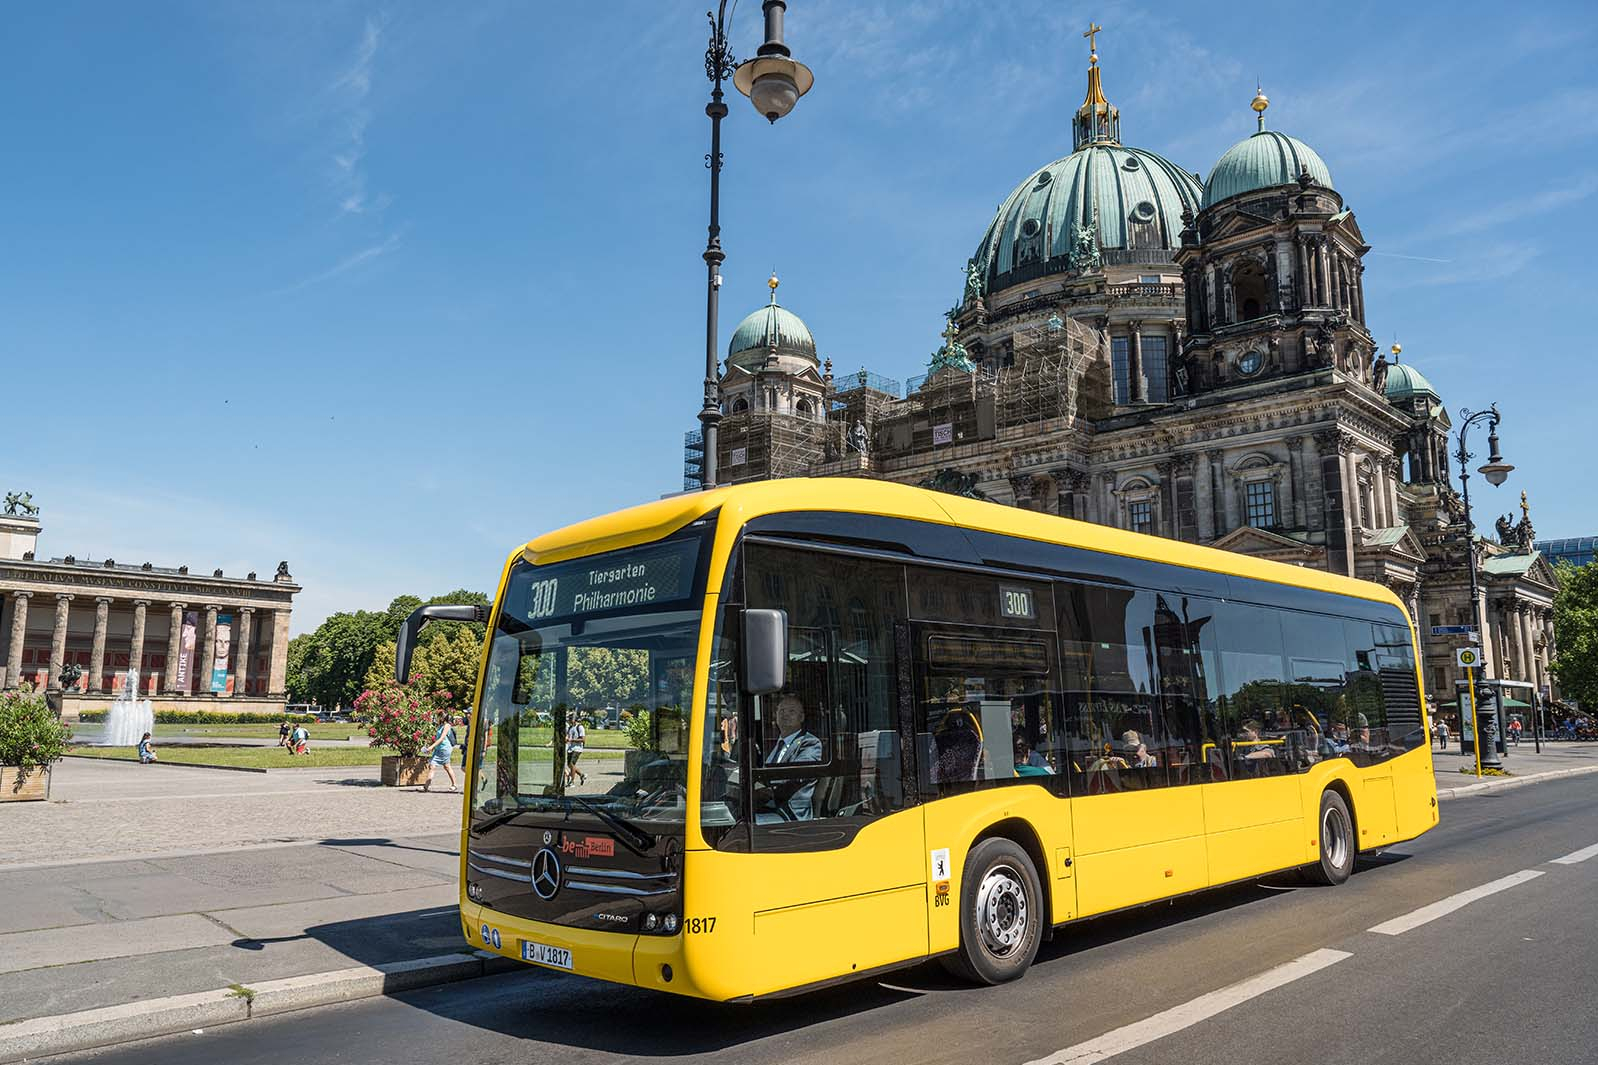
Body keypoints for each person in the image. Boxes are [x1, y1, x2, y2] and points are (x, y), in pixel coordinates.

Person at [762, 693, 822, 819]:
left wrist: (767, 788)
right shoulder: (774, 744)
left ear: (801, 717)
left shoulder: (810, 743)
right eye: (782, 710)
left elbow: (799, 772)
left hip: (791, 813)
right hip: (769, 806)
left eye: (792, 711)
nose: (785, 715)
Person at [421, 716, 458, 792]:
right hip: (438, 748)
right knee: (432, 766)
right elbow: (437, 738)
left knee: (446, 766)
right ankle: (426, 786)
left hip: (445, 749)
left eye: (438, 717)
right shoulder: (440, 726)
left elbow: (441, 738)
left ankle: (454, 784)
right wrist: (431, 747)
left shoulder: (447, 726)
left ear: (443, 718)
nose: (437, 719)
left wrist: (431, 747)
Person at [565, 716, 587, 786]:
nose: (569, 721)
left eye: (570, 719)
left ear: (574, 720)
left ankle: (572, 781)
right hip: (570, 748)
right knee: (569, 765)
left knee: (571, 764)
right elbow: (568, 737)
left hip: (577, 748)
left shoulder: (580, 727)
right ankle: (581, 775)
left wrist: (572, 740)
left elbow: (583, 739)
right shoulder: (570, 728)